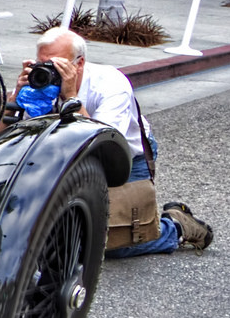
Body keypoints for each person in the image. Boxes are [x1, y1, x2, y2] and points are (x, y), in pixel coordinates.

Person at [17, 27, 211, 254]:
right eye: (43, 64)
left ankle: (175, 227)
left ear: (79, 63)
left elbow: (104, 145)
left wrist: (71, 97)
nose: (49, 71)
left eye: (58, 64)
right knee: (61, 235)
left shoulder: (110, 84)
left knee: (107, 243)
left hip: (122, 157)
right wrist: (17, 96)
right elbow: (2, 138)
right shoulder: (38, 85)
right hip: (65, 156)